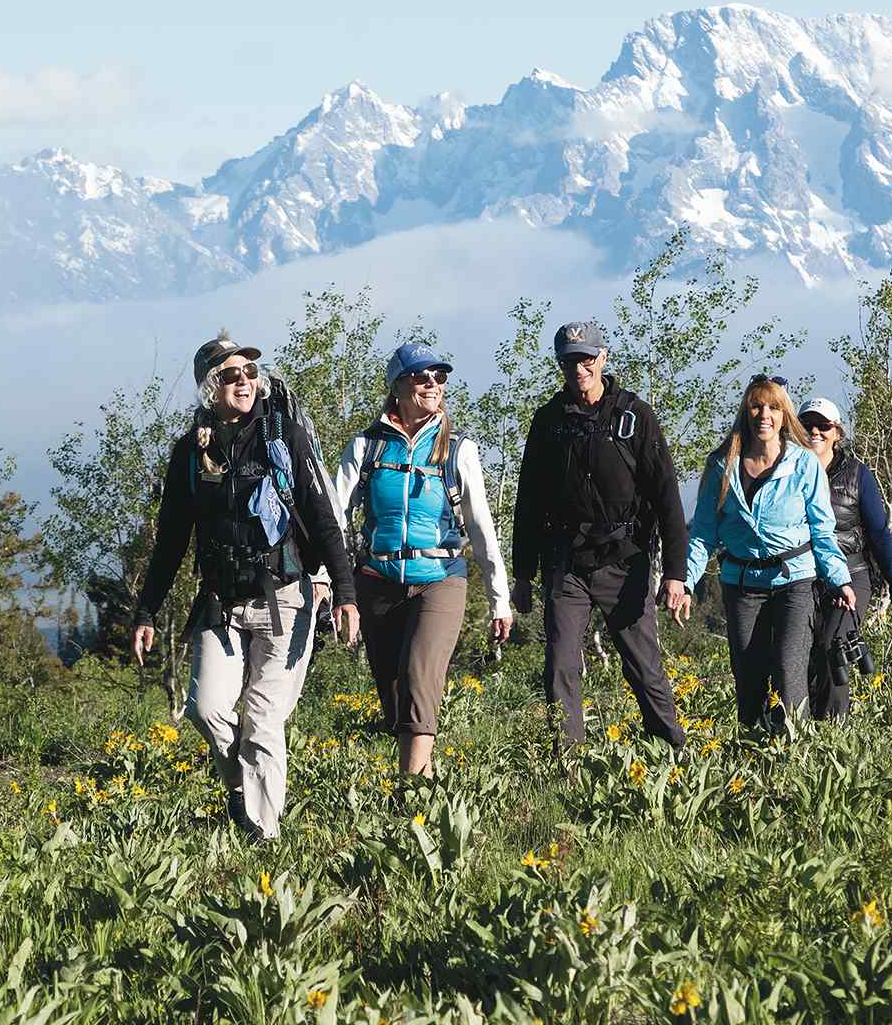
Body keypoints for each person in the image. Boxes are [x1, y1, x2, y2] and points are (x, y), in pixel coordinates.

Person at [133, 334, 359, 841]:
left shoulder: (285, 439)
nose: (244, 381)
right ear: (209, 388)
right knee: (206, 708)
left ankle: (263, 839)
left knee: (262, 719)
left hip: (286, 595)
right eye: (231, 375)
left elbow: (324, 522)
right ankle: (242, 785)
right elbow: (171, 539)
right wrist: (146, 612)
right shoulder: (190, 454)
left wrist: (344, 594)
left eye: (250, 373)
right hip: (220, 599)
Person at [334, 343, 512, 778]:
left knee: (418, 681)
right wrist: (330, 583)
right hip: (377, 581)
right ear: (397, 387)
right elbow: (334, 518)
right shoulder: (366, 447)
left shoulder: (458, 450)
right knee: (396, 704)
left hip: (440, 579)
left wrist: (499, 598)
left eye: (439, 376)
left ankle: (406, 797)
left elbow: (482, 529)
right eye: (421, 376)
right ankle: (429, 798)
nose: (432, 383)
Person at [511, 321, 690, 749]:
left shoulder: (634, 416)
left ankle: (672, 752)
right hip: (565, 563)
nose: (579, 368)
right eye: (570, 360)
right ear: (560, 364)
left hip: (623, 561)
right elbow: (529, 502)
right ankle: (567, 764)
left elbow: (667, 495)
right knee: (560, 664)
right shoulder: (548, 421)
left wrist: (675, 573)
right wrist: (522, 575)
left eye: (586, 358)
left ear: (603, 358)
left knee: (643, 665)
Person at [684, 376, 856, 730]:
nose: (765, 415)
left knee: (789, 672)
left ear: (784, 415)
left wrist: (839, 579)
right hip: (742, 583)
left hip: (794, 580)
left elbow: (822, 531)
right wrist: (686, 582)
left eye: (774, 408)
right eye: (757, 406)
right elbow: (703, 533)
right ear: (745, 413)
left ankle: (797, 754)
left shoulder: (804, 464)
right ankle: (754, 756)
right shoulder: (722, 465)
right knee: (748, 678)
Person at [798, 397, 892, 718]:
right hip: (801, 578)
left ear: (838, 433)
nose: (815, 432)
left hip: (851, 576)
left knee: (833, 644)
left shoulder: (858, 475)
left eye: (824, 426)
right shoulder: (787, 472)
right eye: (808, 426)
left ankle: (835, 730)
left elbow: (878, 534)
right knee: (800, 654)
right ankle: (804, 731)